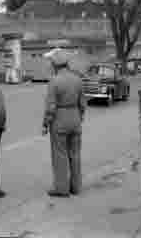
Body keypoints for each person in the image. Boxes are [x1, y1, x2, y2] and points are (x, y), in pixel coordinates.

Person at [42, 50, 86, 197]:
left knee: (59, 155)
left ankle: (62, 188)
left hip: (59, 121)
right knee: (75, 154)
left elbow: (50, 107)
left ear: (55, 65)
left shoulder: (54, 82)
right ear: (67, 64)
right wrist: (79, 117)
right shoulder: (78, 79)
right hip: (75, 119)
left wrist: (45, 123)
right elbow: (83, 104)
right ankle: (76, 187)